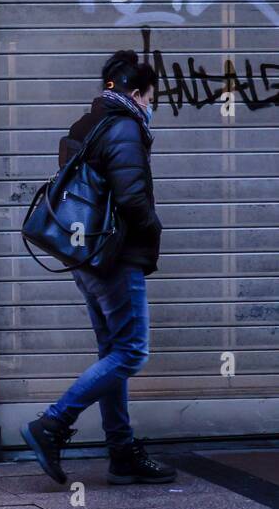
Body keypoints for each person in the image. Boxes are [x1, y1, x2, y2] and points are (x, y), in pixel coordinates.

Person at [21, 50, 176, 485]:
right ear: (136, 91)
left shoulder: (87, 123)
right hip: (115, 258)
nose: (151, 105)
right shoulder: (124, 127)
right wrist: (153, 227)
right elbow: (130, 198)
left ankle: (121, 452)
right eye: (150, 97)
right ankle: (51, 424)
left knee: (113, 352)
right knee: (131, 351)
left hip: (84, 256)